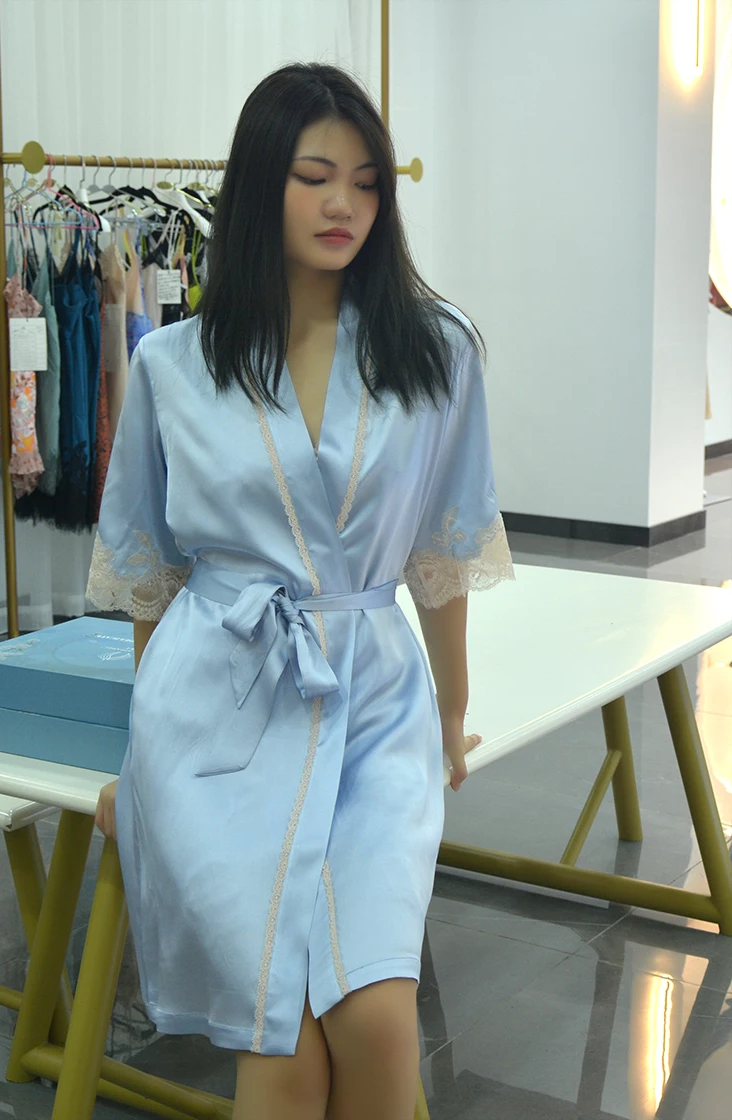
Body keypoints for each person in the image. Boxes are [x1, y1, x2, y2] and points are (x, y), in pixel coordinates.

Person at [87, 61, 515, 1120]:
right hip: (217, 712)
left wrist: (450, 712)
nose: (343, 206)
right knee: (277, 1045)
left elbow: (441, 551)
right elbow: (152, 580)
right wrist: (140, 761)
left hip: (373, 709)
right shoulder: (172, 366)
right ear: (257, 184)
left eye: (365, 183)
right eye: (314, 177)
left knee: (375, 1016)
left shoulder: (437, 351)